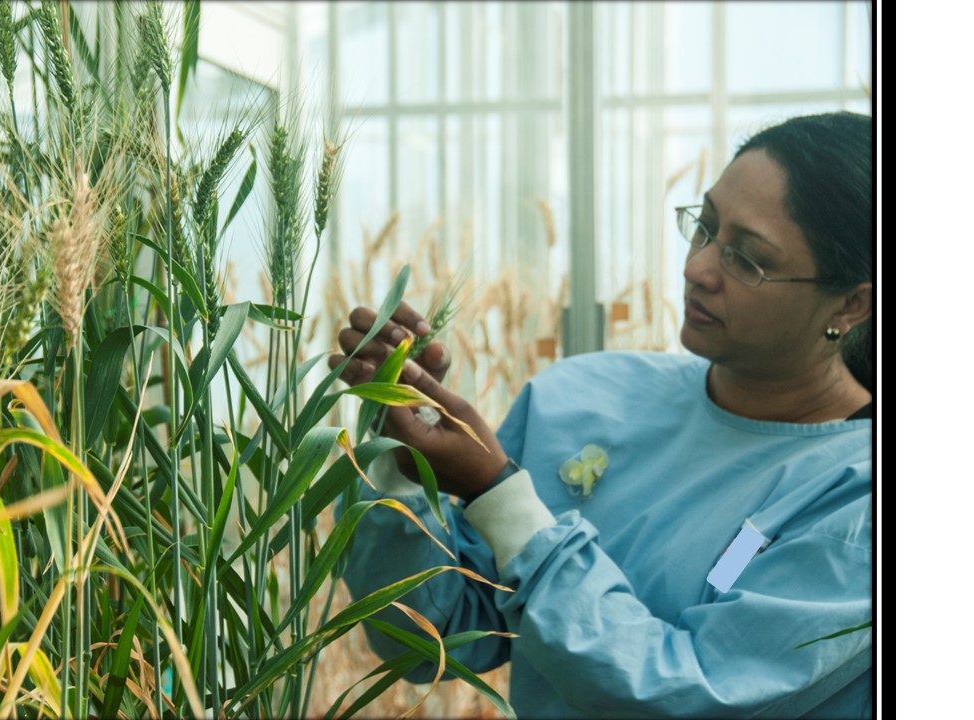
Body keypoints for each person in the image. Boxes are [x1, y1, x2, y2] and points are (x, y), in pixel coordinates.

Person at [330, 111, 874, 718]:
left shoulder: (861, 505)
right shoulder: (579, 396)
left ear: (853, 302)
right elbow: (428, 637)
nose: (697, 269)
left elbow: (687, 693)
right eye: (706, 227)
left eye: (746, 260)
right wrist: (400, 456)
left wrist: (500, 499)